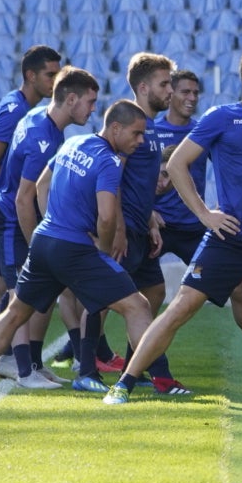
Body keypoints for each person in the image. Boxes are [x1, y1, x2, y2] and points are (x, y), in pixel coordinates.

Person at [102, 46, 242, 406]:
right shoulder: (221, 118)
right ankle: (125, 382)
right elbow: (176, 166)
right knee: (180, 308)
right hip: (227, 236)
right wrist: (205, 215)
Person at [0, 100, 155, 393]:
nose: (140, 141)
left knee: (15, 313)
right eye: (137, 134)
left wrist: (53, 219)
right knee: (138, 306)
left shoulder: (73, 143)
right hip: (74, 248)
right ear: (115, 128)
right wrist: (101, 249)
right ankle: (140, 380)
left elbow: (40, 185)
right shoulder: (109, 161)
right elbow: (106, 215)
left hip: (44, 240)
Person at [153, 68, 242, 372]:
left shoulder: (207, 128)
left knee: (239, 286)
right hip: (157, 226)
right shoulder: (152, 132)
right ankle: (97, 351)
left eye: (196, 92)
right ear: (170, 94)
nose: (192, 97)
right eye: (185, 91)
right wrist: (148, 211)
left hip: (195, 226)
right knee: (145, 291)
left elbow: (233, 169)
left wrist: (215, 209)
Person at [78, 53, 190, 395]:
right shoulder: (130, 125)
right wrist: (122, 229)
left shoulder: (151, 127)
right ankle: (86, 369)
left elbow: (142, 184)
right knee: (101, 299)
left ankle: (134, 365)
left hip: (142, 228)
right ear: (143, 87)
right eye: (164, 83)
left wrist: (151, 218)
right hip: (124, 232)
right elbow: (116, 179)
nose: (170, 90)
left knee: (154, 291)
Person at [0, 66, 101, 389]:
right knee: (19, 293)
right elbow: (24, 199)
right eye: (90, 102)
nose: (93, 109)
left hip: (15, 215)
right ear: (70, 99)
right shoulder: (43, 136)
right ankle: (22, 369)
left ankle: (33, 363)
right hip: (12, 218)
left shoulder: (44, 122)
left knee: (43, 292)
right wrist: (36, 245)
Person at [0, 44, 62, 321]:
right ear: (30, 75)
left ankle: (3, 351)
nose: (55, 82)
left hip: (12, 209)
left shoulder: (27, 108)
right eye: (50, 75)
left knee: (5, 285)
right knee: (19, 288)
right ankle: (10, 354)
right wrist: (15, 203)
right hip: (11, 213)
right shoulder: (15, 110)